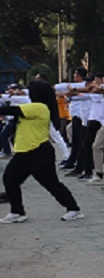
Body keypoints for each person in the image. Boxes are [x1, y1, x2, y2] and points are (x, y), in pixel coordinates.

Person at [0, 81, 84, 223]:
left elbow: (11, 110)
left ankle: (73, 209)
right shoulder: (34, 106)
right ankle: (17, 212)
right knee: (10, 179)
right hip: (24, 152)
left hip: (38, 152)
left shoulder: (39, 107)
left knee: (51, 183)